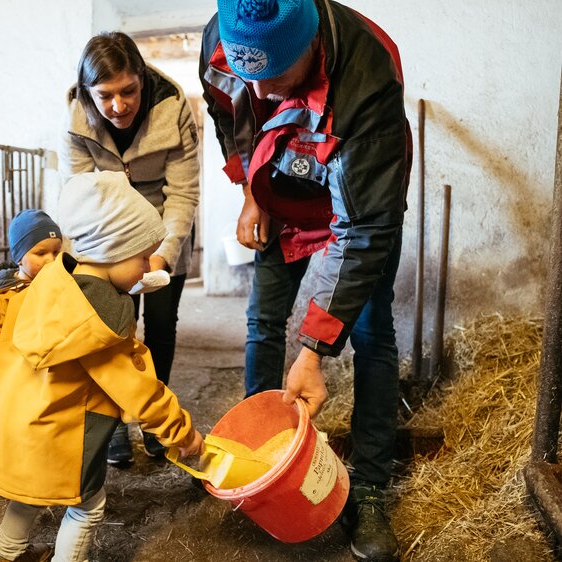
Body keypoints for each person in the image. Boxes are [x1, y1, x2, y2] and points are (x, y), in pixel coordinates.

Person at [200, 1, 411, 561]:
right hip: (281, 189)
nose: (263, 90)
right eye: (251, 75)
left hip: (355, 199)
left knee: (372, 334)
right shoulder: (221, 41)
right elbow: (227, 114)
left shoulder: (367, 74)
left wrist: (314, 350)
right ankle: (260, 460)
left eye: (278, 75)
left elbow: (364, 227)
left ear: (311, 44)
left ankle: (368, 488)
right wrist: (250, 190)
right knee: (263, 318)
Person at [0, 171, 204, 562]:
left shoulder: (48, 285)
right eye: (141, 256)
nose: (147, 266)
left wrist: (129, 281)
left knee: (30, 493)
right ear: (112, 250)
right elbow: (137, 389)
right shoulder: (100, 315)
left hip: (24, 426)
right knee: (86, 505)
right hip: (63, 433)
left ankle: (9, 552)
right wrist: (180, 433)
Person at [61, 31, 200, 464]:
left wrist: (161, 256)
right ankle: (114, 423)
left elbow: (182, 194)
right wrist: (96, 263)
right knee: (109, 331)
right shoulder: (76, 117)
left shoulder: (174, 107)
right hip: (106, 239)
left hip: (162, 231)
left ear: (142, 77)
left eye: (129, 91)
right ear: (88, 93)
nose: (119, 106)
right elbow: (80, 195)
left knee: (160, 324)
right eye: (105, 96)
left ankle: (158, 422)